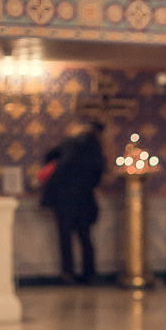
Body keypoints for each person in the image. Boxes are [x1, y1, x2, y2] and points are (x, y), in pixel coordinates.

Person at [41, 120, 105, 284]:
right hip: (84, 198)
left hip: (65, 199)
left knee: (65, 237)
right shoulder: (95, 147)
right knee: (85, 237)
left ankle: (67, 274)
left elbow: (50, 157)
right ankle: (89, 274)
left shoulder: (69, 143)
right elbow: (99, 171)